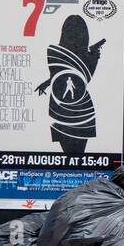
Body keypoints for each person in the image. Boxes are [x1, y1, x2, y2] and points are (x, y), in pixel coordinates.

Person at [35, 14, 104, 157]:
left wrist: (92, 57)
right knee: (77, 156)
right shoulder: (57, 51)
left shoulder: (53, 50)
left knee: (71, 155)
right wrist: (92, 58)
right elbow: (76, 76)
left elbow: (69, 75)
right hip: (80, 106)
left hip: (62, 106)